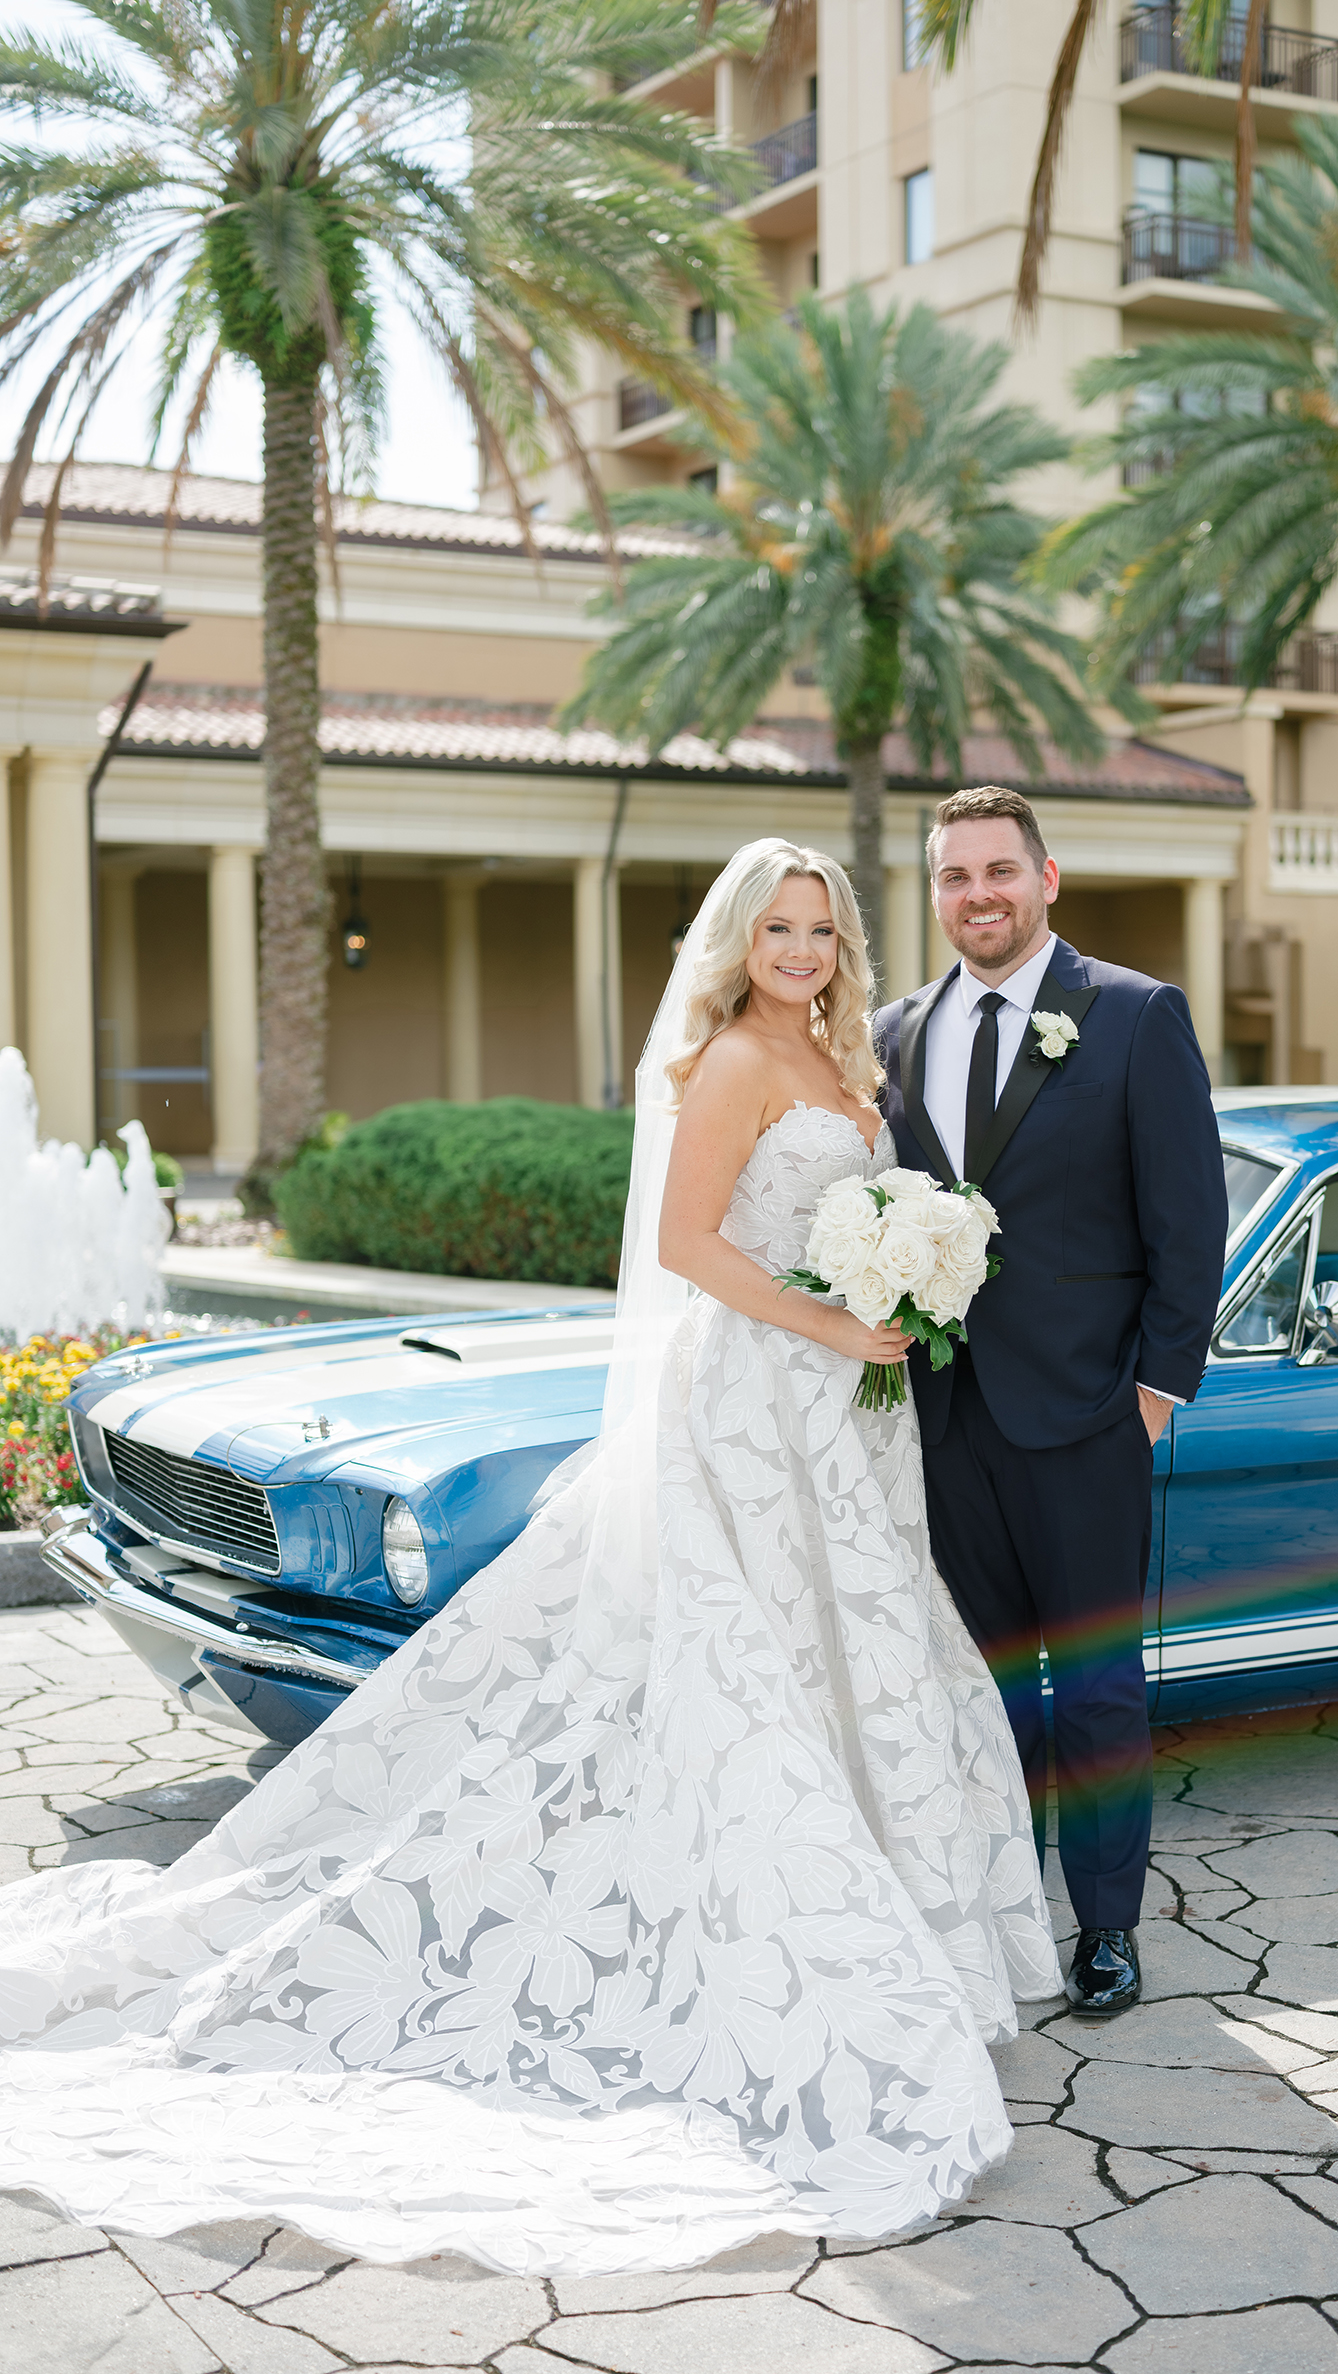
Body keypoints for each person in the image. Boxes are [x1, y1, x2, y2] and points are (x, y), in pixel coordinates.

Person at [0, 839, 1060, 2279]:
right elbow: (690, 1245)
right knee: (745, 1669)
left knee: (854, 1652)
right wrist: (835, 1321)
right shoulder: (735, 1064)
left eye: (819, 928)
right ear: (740, 941)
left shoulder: (844, 1063)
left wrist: (897, 1274)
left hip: (845, 1419)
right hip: (752, 1404)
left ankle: (896, 1924)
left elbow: (839, 1226)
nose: (801, 950)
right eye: (777, 929)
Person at [874, 788, 1228, 2019]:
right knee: (978, 1685)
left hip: (1087, 1420)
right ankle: (1002, 1913)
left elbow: (1190, 1221)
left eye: (999, 871)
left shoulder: (1131, 1016)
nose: (979, 894)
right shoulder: (891, 1035)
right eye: (955, 876)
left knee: (1095, 1688)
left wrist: (1154, 1391)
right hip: (943, 1418)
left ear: (1046, 878)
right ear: (936, 894)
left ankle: (1109, 1932)